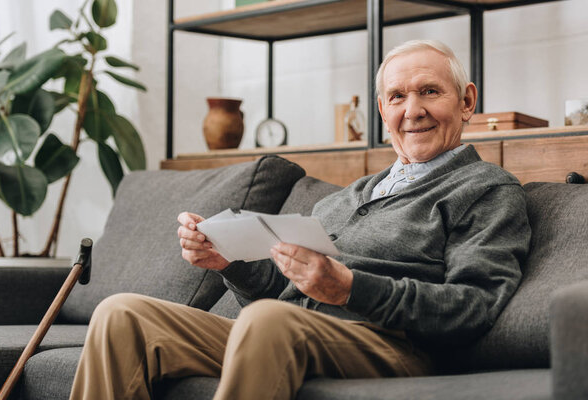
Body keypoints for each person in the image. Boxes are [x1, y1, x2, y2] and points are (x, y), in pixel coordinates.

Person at [69, 40, 531, 400]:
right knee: (122, 313)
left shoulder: (485, 189)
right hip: (288, 328)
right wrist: (228, 261)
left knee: (271, 322)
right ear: (382, 111)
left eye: (430, 91)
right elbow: (274, 292)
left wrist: (350, 288)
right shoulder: (349, 196)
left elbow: (475, 306)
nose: (413, 110)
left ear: (467, 101)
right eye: (397, 96)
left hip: (392, 346)